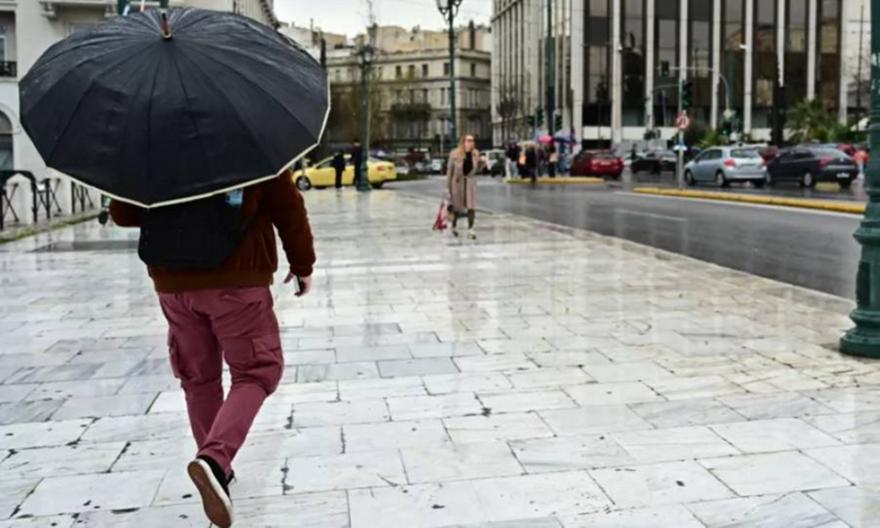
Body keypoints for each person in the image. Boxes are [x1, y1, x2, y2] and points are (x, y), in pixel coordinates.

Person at [109, 172, 315, 528]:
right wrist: (302, 264)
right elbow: (288, 207)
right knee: (256, 371)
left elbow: (124, 213)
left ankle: (218, 468)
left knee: (198, 379)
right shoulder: (252, 146)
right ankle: (215, 460)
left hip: (173, 284)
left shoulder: (153, 150)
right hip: (237, 280)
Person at [447, 134, 482, 240]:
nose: (471, 143)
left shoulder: (475, 153)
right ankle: (454, 226)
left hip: (470, 183)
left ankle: (471, 229)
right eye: (469, 140)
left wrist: (482, 163)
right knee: (457, 207)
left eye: (472, 140)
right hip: (457, 183)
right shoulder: (455, 154)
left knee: (471, 207)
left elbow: (477, 170)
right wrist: (447, 188)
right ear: (463, 142)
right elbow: (449, 172)